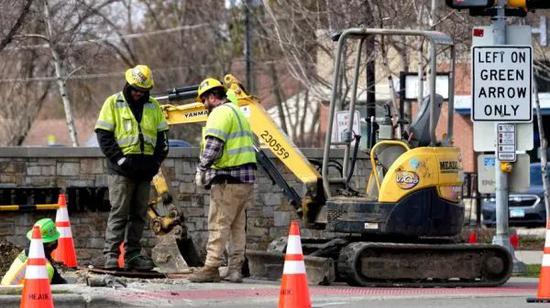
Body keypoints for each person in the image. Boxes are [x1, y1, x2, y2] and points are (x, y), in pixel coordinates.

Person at [95, 64, 169, 270]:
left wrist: (155, 163)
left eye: (143, 91)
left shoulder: (153, 106)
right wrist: (120, 160)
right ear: (128, 85)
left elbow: (163, 138)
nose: (138, 94)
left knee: (138, 214)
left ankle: (133, 256)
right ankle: (111, 255)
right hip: (121, 170)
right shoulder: (113, 103)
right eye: (136, 90)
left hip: (145, 171)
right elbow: (104, 136)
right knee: (119, 212)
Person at [189, 78, 257, 283]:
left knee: (218, 223)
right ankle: (235, 269)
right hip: (245, 180)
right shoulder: (238, 112)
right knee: (237, 226)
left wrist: (201, 169)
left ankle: (211, 267)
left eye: (204, 100)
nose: (203, 105)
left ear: (212, 97)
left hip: (227, 179)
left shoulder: (219, 113)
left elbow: (213, 145)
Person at [1, 218, 66, 285]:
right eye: (55, 239)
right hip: (18, 293)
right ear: (50, 244)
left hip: (4, 288)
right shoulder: (46, 267)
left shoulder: (26, 252)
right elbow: (60, 285)